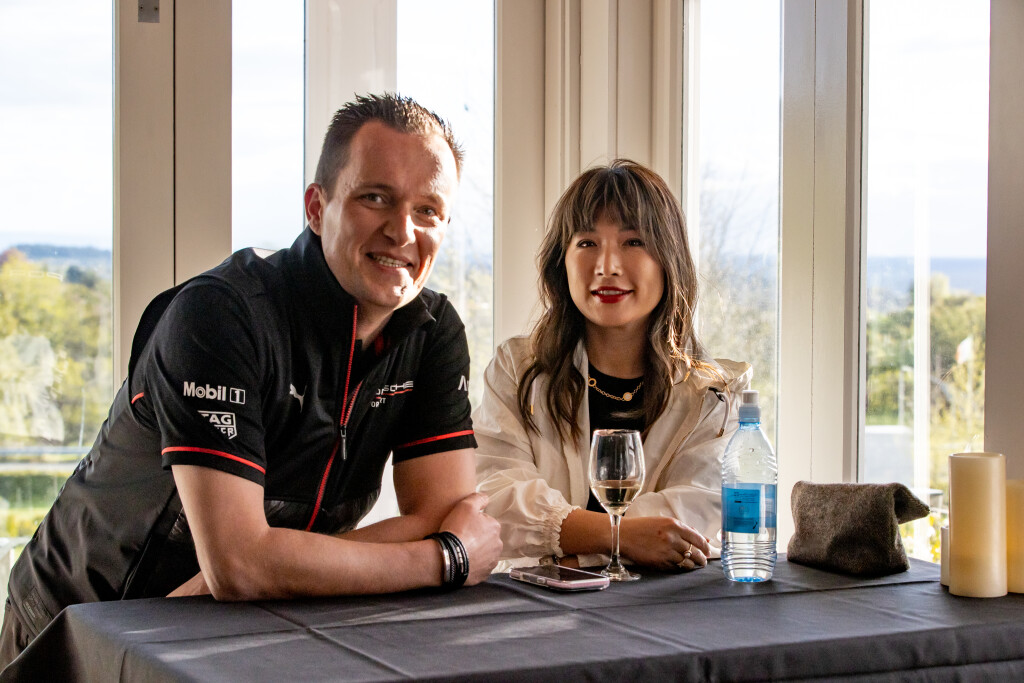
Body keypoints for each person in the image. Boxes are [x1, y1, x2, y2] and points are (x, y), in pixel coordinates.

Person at [0, 93, 502, 665]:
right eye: (375, 198)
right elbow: (239, 563)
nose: (403, 231)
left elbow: (442, 515)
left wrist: (269, 566)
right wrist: (443, 560)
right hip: (81, 627)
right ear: (316, 207)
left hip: (247, 622)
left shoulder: (432, 331)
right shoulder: (220, 313)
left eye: (428, 210)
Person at [474, 160, 750, 572]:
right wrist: (619, 538)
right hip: (534, 601)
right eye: (587, 243)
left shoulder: (715, 395)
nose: (607, 266)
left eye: (633, 242)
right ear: (561, 261)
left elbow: (697, 517)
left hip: (662, 605)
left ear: (669, 259)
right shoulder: (518, 369)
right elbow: (493, 499)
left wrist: (576, 550)